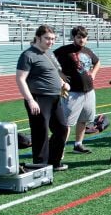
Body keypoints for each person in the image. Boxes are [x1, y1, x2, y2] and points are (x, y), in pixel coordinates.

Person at [16, 25, 71, 171]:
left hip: (55, 98)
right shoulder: (28, 55)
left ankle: (54, 161)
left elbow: (52, 73)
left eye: (53, 39)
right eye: (47, 38)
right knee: (41, 132)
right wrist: (30, 100)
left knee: (62, 129)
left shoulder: (48, 53)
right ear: (38, 37)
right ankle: (40, 165)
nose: (50, 42)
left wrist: (63, 84)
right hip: (39, 98)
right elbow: (20, 79)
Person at [55, 25, 100, 154]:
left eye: (84, 37)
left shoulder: (88, 51)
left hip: (89, 91)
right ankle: (60, 148)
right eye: (79, 37)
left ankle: (78, 144)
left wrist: (94, 73)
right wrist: (61, 76)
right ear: (74, 37)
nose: (82, 40)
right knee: (67, 123)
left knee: (83, 119)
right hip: (72, 92)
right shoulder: (64, 50)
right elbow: (50, 61)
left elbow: (97, 62)